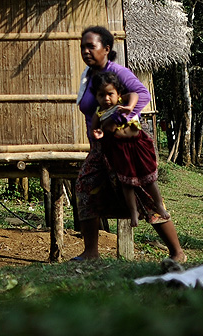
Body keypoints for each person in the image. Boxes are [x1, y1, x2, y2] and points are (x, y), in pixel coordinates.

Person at [73, 25, 185, 263]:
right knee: (85, 187)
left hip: (125, 142)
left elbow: (142, 95)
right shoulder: (88, 76)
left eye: (91, 46)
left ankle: (177, 252)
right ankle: (91, 252)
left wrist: (119, 119)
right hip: (101, 146)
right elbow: (91, 112)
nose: (85, 51)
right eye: (83, 46)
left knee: (142, 190)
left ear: (106, 49)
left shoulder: (118, 72)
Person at [90, 71, 171, 227]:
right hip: (120, 150)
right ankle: (133, 211)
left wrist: (130, 107)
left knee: (149, 179)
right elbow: (95, 131)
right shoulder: (99, 114)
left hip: (138, 144)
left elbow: (135, 94)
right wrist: (98, 133)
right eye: (101, 95)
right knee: (127, 184)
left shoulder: (123, 101)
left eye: (110, 94)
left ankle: (159, 205)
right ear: (96, 97)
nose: (106, 99)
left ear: (118, 93)